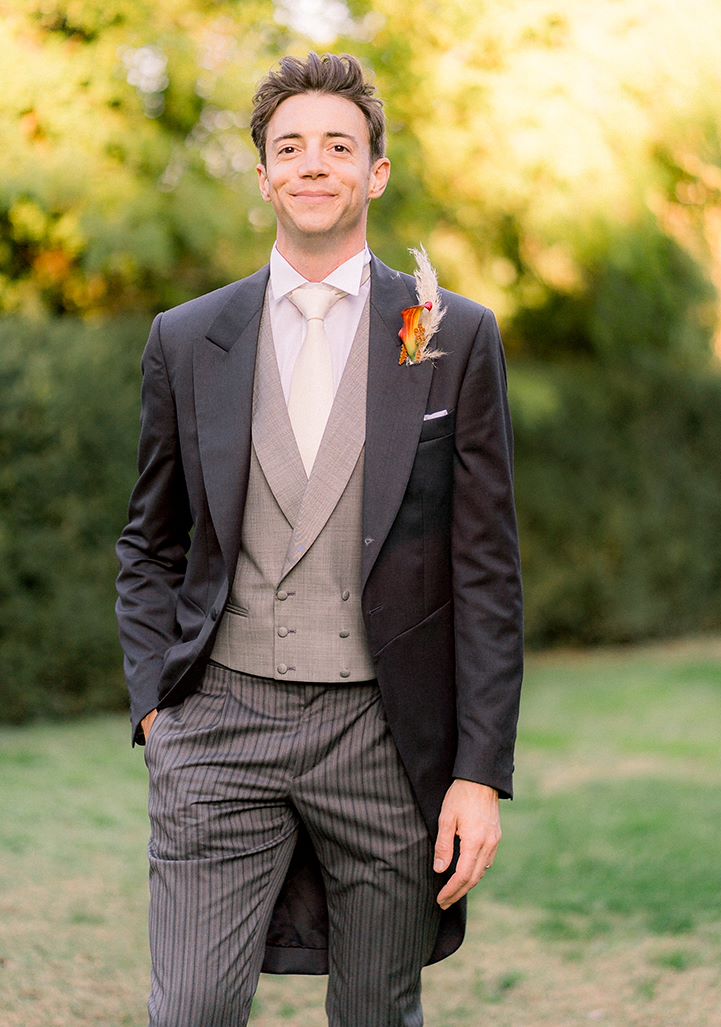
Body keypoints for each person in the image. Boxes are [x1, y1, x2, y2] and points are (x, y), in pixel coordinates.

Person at [116, 51, 523, 1027]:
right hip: (217, 723)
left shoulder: (451, 335)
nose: (312, 164)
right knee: (193, 1009)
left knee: (378, 1012)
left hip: (383, 733)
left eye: (337, 146)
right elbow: (149, 541)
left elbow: (486, 569)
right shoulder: (187, 337)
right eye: (289, 146)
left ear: (374, 171)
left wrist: (477, 770)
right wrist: (154, 710)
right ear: (262, 176)